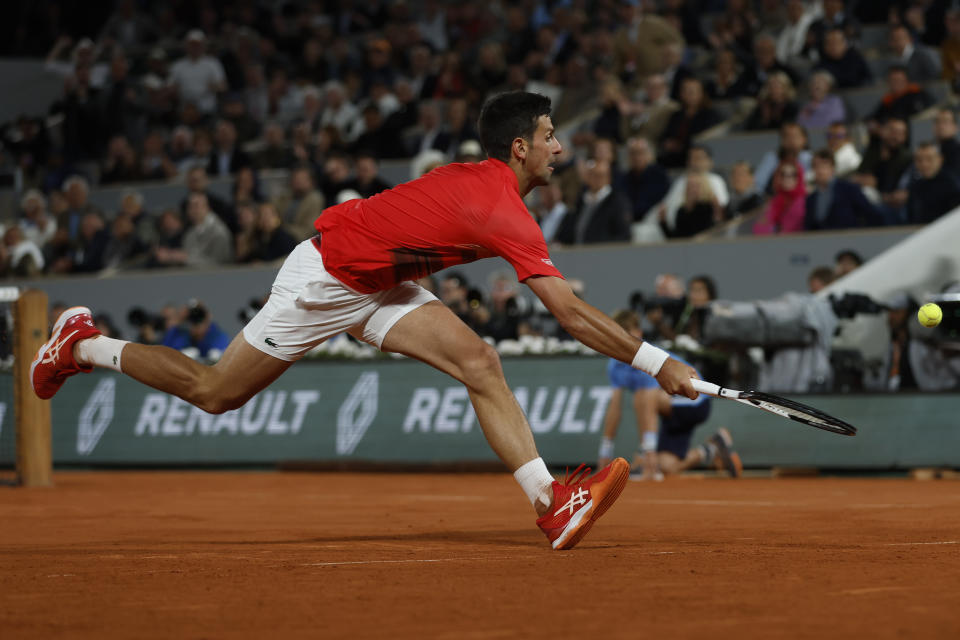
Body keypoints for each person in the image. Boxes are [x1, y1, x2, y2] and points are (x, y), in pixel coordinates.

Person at [31, 91, 699, 552]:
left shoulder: (492, 187)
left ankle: (550, 502)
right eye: (551, 137)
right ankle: (85, 345)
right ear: (520, 147)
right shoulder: (500, 209)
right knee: (216, 393)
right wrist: (656, 362)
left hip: (379, 281)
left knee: (479, 362)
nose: (561, 148)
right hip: (324, 280)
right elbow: (571, 315)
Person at [596, 310, 741, 481]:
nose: (622, 339)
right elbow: (614, 409)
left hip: (696, 402)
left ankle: (646, 454)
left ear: (639, 333)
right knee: (666, 466)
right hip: (670, 411)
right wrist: (605, 450)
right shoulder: (614, 365)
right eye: (618, 333)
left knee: (642, 397)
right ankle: (712, 447)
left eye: (628, 332)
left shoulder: (645, 357)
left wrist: (647, 451)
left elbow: (648, 403)